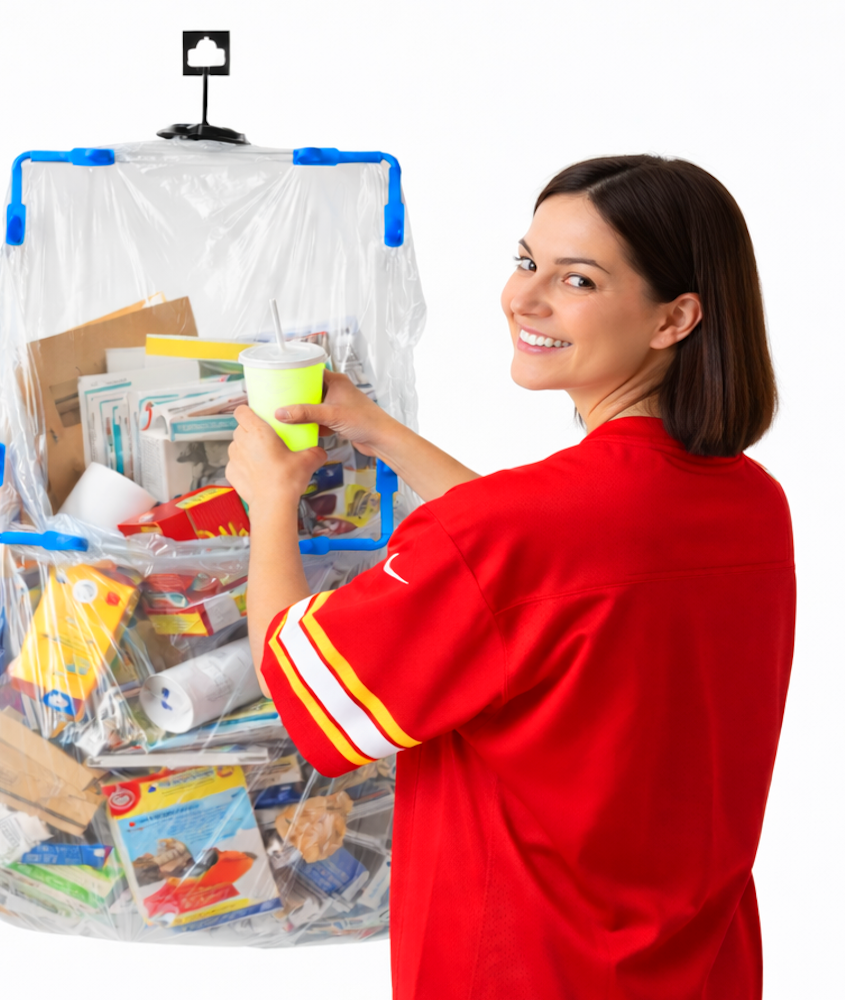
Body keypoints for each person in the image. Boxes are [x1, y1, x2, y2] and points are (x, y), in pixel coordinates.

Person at [225, 155, 795, 999]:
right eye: (527, 262)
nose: (523, 299)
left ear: (674, 318)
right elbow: (549, 570)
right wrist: (379, 435)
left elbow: (297, 679)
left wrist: (269, 502)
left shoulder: (519, 528)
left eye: (577, 280)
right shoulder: (753, 503)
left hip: (520, 968)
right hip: (700, 967)